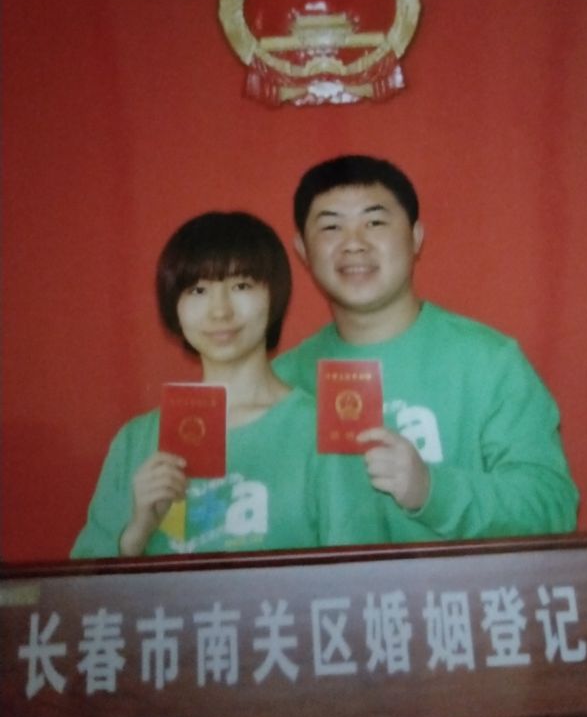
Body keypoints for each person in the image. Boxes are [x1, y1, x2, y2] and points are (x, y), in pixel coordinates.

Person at [273, 155, 579, 543]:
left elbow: (552, 507)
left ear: (416, 237)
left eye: (375, 222)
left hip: (461, 585)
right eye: (331, 226)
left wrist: (432, 490)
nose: (354, 243)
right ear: (302, 249)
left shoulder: (488, 362)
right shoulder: (281, 383)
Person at [71, 211, 388, 558]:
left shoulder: (323, 432)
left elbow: (361, 575)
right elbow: (82, 586)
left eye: (241, 286)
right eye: (198, 290)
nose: (219, 311)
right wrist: (135, 535)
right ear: (173, 306)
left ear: (275, 296)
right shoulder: (135, 441)